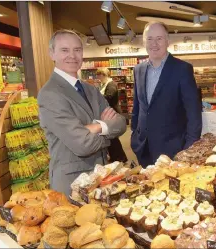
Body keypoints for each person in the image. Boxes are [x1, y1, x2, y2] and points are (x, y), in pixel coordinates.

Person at [38, 29, 127, 196]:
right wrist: (107, 129)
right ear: (52, 54)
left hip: (100, 177)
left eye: (77, 50)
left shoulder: (90, 89)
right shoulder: (50, 94)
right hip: (73, 185)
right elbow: (82, 145)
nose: (72, 55)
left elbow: (121, 123)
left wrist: (95, 127)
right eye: (64, 50)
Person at [131, 22, 202, 167]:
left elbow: (193, 112)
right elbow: (137, 108)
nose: (154, 44)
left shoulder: (182, 69)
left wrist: (189, 148)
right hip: (143, 149)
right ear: (144, 42)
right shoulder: (138, 70)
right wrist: (134, 136)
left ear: (167, 41)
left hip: (173, 150)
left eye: (159, 38)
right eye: (150, 39)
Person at [96, 68, 127, 163]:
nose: (98, 78)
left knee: (112, 137)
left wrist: (97, 97)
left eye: (99, 75)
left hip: (112, 113)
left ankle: (119, 157)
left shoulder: (111, 84)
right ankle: (116, 156)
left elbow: (109, 97)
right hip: (108, 113)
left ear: (104, 75)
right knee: (110, 136)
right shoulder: (104, 84)